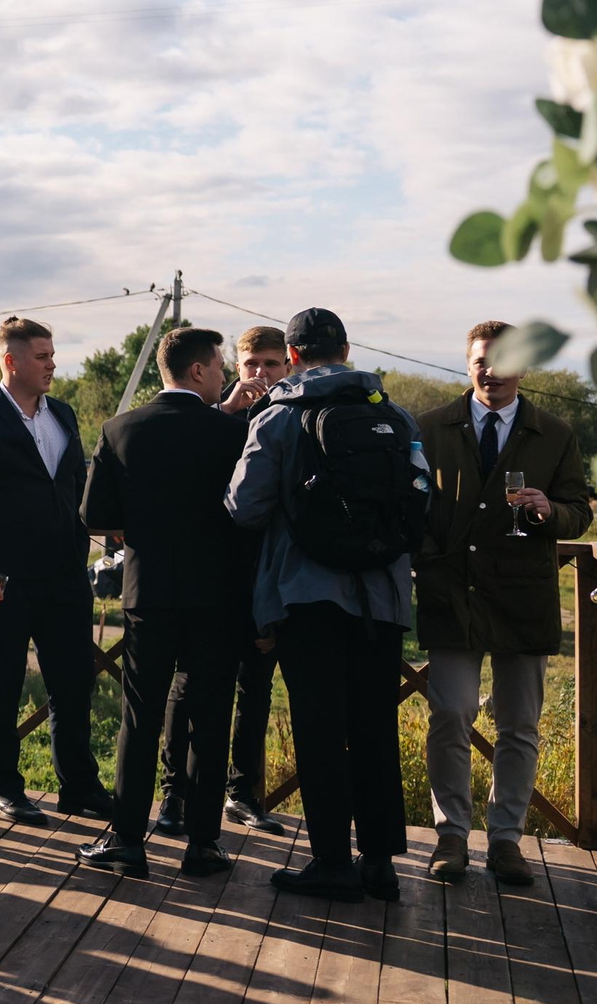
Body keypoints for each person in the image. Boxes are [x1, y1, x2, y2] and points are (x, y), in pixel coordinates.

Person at [226, 307, 425, 903]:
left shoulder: (279, 417)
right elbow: (421, 498)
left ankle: (332, 861)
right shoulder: (393, 415)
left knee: (319, 729)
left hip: (307, 596)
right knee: (373, 726)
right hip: (383, 597)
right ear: (345, 350)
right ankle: (381, 864)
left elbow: (245, 506)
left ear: (291, 357)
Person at [415, 320, 593, 887]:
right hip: (452, 594)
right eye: (479, 361)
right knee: (450, 714)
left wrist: (553, 512)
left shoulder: (555, 433)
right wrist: (426, 556)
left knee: (519, 725)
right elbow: (410, 506)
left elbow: (579, 509)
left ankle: (507, 840)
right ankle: (451, 835)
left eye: (501, 360)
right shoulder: (429, 427)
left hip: (523, 595)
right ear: (466, 364)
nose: (490, 371)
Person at [78, 327, 249, 879]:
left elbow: (94, 515)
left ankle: (128, 839)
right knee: (210, 716)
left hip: (148, 592)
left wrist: (140, 526)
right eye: (219, 365)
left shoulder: (120, 428)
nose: (224, 374)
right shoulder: (231, 433)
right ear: (197, 370)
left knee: (140, 716)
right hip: (218, 596)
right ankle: (203, 846)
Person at [0, 316, 111, 826]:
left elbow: (73, 485)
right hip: (2, 579)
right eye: (42, 356)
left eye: (53, 354)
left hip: (65, 575)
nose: (52, 364)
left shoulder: (62, 413)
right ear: (10, 361)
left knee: (73, 683)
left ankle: (78, 787)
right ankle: (5, 788)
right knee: (2, 685)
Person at [154, 324, 287, 835]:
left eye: (271, 365)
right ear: (234, 367)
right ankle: (174, 796)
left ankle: (242, 793)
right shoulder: (209, 414)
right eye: (251, 364)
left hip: (262, 576)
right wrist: (227, 411)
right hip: (204, 576)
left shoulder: (291, 419)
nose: (259, 374)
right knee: (187, 688)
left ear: (286, 367)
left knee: (254, 690)